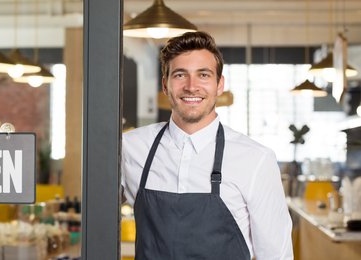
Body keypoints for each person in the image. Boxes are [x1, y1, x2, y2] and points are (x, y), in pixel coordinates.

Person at [121, 31, 293, 260]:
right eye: (180, 75)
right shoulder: (130, 148)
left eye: (203, 75)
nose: (192, 86)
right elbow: (98, 217)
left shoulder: (256, 159)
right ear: (165, 84)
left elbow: (276, 256)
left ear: (219, 85)